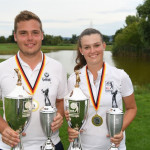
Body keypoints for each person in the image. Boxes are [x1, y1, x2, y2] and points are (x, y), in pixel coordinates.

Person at [0, 10, 67, 150]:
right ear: (15, 36)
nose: (30, 38)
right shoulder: (2, 68)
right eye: (23, 33)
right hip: (11, 145)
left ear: (42, 35)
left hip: (51, 144)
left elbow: (61, 100)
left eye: (35, 32)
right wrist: (3, 127)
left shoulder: (57, 67)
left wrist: (60, 115)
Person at [65, 28, 137, 150]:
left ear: (104, 46)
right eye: (87, 47)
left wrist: (120, 130)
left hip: (113, 145)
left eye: (96, 45)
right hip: (81, 145)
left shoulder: (120, 76)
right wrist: (70, 128)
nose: (92, 51)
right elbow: (70, 114)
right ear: (81, 50)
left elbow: (132, 108)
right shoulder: (74, 79)